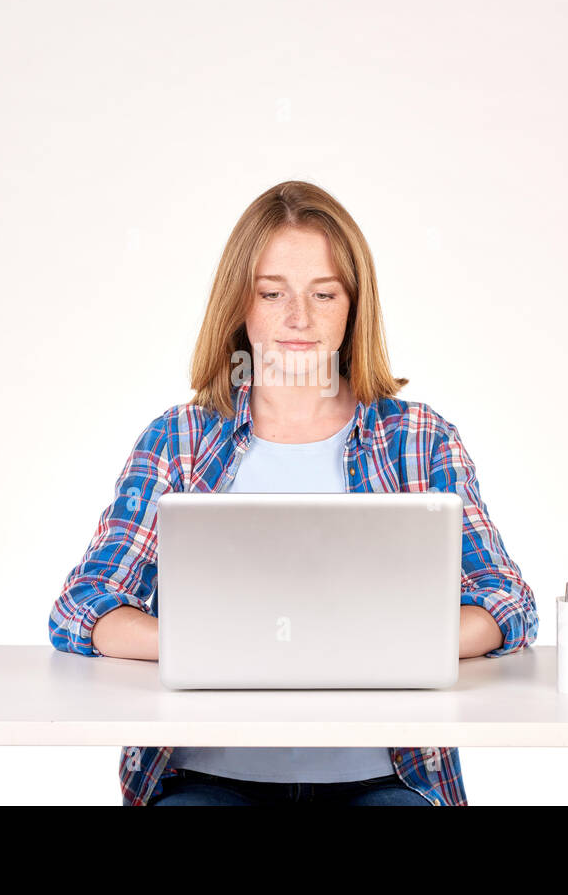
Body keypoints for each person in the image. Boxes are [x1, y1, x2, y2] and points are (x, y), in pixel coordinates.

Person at [48, 180, 538, 805]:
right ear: (240, 307)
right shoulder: (181, 439)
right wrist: (210, 647)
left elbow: (506, 601)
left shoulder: (417, 438)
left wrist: (385, 645)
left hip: (385, 779)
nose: (298, 319)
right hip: (209, 781)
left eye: (323, 294)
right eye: (272, 293)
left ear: (353, 307)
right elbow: (82, 605)